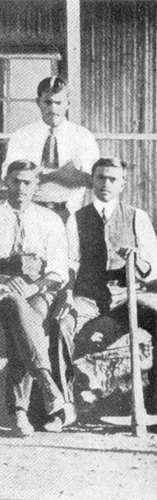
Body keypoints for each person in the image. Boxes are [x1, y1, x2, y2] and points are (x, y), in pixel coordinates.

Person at [0, 160, 72, 435]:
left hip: (38, 291)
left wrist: (34, 287)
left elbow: (58, 272)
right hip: (1, 292)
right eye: (15, 180)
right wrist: (5, 284)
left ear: (36, 185)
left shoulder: (50, 221)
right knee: (18, 309)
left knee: (24, 321)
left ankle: (20, 413)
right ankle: (46, 383)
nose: (20, 187)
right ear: (5, 181)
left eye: (27, 182)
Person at [56, 157, 157, 412]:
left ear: (122, 183)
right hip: (88, 297)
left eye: (113, 179)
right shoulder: (76, 219)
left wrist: (136, 259)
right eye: (100, 177)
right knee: (63, 326)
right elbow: (69, 263)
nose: (106, 183)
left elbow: (152, 266)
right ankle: (66, 403)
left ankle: (153, 401)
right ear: (92, 181)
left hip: (126, 297)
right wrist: (68, 295)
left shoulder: (137, 217)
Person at [4, 76, 100, 222]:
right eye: (47, 102)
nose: (53, 109)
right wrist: (64, 174)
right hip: (30, 213)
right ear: (38, 103)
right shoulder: (22, 136)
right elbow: (11, 176)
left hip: (70, 213)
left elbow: (90, 180)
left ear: (68, 103)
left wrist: (40, 174)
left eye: (58, 103)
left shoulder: (83, 137)